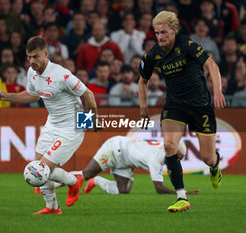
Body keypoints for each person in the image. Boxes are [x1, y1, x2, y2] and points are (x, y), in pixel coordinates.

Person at [0, 36, 99, 215]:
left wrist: (91, 121)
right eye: (29, 57)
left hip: (71, 128)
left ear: (45, 54)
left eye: (35, 57)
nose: (32, 61)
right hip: (52, 124)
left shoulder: (62, 75)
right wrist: (7, 96)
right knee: (39, 167)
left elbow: (88, 95)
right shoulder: (32, 73)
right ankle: (52, 208)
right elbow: (33, 95)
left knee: (41, 170)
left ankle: (74, 181)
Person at [138, 11, 226, 212]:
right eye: (157, 33)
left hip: (200, 106)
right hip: (175, 106)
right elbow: (141, 81)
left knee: (208, 158)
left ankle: (215, 165)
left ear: (174, 30)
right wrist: (143, 108)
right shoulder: (153, 55)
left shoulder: (187, 45)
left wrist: (218, 93)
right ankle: (181, 197)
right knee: (169, 146)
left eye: (164, 32)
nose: (160, 37)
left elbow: (212, 65)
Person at [80, 136, 200, 197]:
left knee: (123, 191)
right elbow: (159, 188)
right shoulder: (157, 157)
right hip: (116, 147)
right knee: (86, 173)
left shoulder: (166, 151)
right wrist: (182, 193)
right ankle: (61, 180)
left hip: (125, 160)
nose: (177, 161)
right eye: (178, 157)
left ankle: (96, 181)